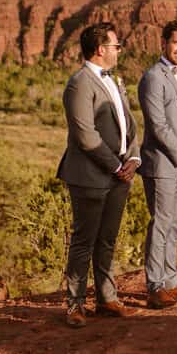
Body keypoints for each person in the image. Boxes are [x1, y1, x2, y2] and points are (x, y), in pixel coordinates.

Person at [56, 22, 140, 328]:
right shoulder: (79, 83)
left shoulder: (115, 81)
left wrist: (133, 157)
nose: (119, 51)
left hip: (120, 174)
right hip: (91, 176)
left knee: (107, 240)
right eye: (116, 46)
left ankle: (107, 299)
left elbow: (129, 123)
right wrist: (116, 167)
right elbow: (85, 135)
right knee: (84, 241)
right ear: (101, 49)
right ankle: (75, 304)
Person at [138, 20, 177, 310]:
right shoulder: (153, 77)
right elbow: (158, 125)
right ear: (163, 43)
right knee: (161, 224)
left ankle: (171, 281)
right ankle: (155, 286)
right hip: (162, 164)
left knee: (174, 225)